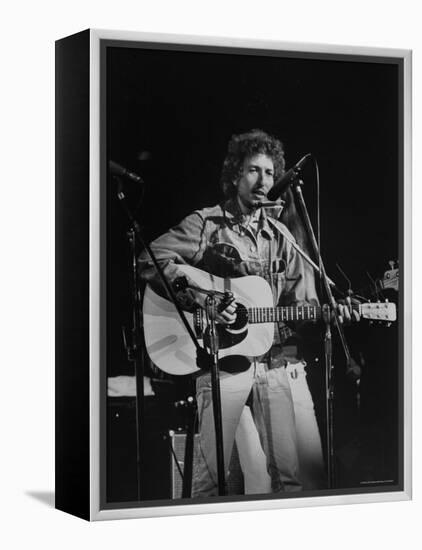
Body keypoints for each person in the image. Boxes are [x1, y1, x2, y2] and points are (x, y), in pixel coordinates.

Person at [138, 129, 351, 497]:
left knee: (289, 480)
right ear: (235, 174)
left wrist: (331, 312)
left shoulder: (284, 236)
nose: (263, 180)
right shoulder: (206, 224)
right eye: (253, 170)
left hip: (274, 362)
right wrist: (200, 299)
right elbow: (148, 258)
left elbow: (301, 306)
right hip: (222, 359)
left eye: (269, 173)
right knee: (209, 478)